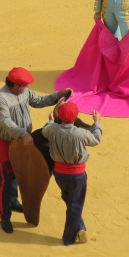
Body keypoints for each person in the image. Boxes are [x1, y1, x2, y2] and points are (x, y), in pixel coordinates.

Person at [0, 67, 73, 234]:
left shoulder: (24, 92)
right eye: (25, 85)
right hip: (4, 141)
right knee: (6, 177)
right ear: (16, 85)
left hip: (22, 139)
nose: (27, 88)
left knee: (19, 171)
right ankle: (4, 216)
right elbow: (6, 122)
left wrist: (58, 95)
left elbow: (39, 101)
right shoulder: (0, 98)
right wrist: (23, 134)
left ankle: (12, 201)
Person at [42, 102, 102, 245]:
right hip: (77, 175)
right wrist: (97, 123)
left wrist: (50, 120)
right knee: (75, 205)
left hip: (59, 174)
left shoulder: (52, 129)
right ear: (76, 117)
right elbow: (96, 140)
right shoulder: (80, 133)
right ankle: (69, 238)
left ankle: (80, 227)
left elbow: (45, 131)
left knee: (69, 200)